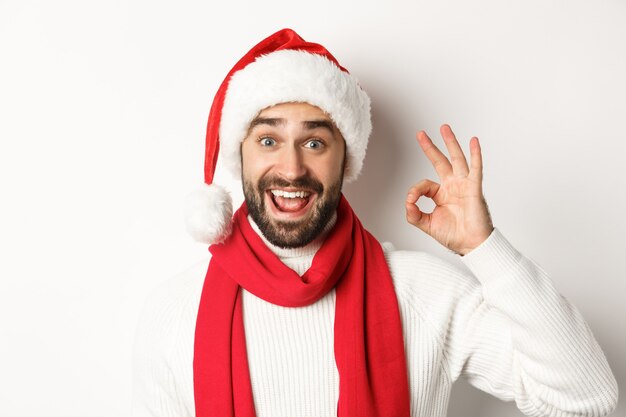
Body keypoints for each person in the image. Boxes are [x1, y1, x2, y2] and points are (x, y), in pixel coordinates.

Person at [132, 28, 618, 417]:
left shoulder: (425, 292)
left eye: (315, 142)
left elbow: (585, 401)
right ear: (239, 156)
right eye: (268, 140)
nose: (292, 168)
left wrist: (483, 247)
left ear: (347, 161)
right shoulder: (175, 311)